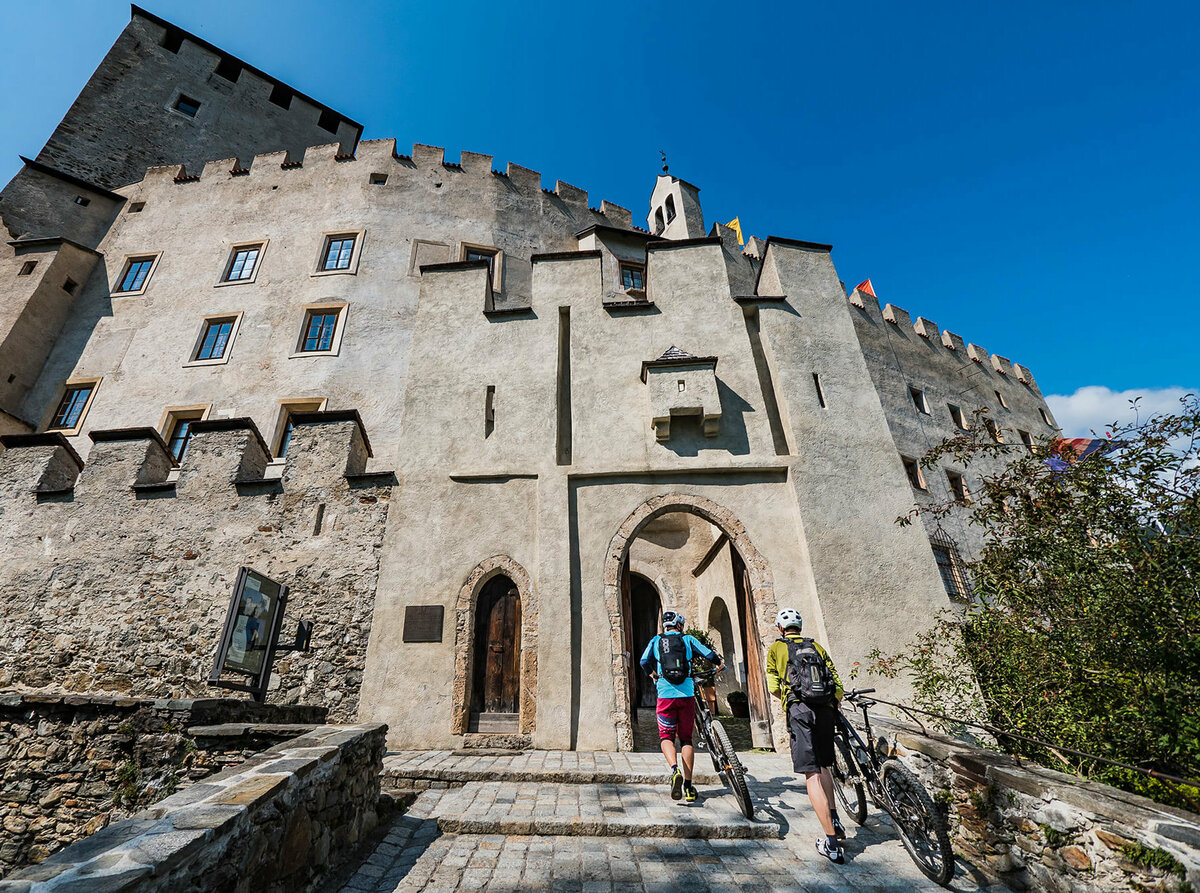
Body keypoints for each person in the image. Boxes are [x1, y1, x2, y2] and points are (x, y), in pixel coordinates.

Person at [766, 608, 846, 864]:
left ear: (780, 628)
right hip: (824, 710)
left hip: (800, 710)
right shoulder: (817, 647)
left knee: (811, 773)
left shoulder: (776, 649)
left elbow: (773, 686)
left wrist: (789, 702)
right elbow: (837, 684)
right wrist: (831, 703)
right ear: (800, 627)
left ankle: (831, 843)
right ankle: (834, 817)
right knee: (824, 767)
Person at [639, 611, 725, 803]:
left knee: (666, 737)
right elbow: (709, 654)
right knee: (686, 739)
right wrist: (720, 663)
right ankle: (687, 785)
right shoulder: (687, 639)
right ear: (678, 625)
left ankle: (674, 769)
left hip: (665, 695)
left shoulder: (655, 640)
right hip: (686, 694)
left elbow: (644, 661)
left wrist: (654, 675)